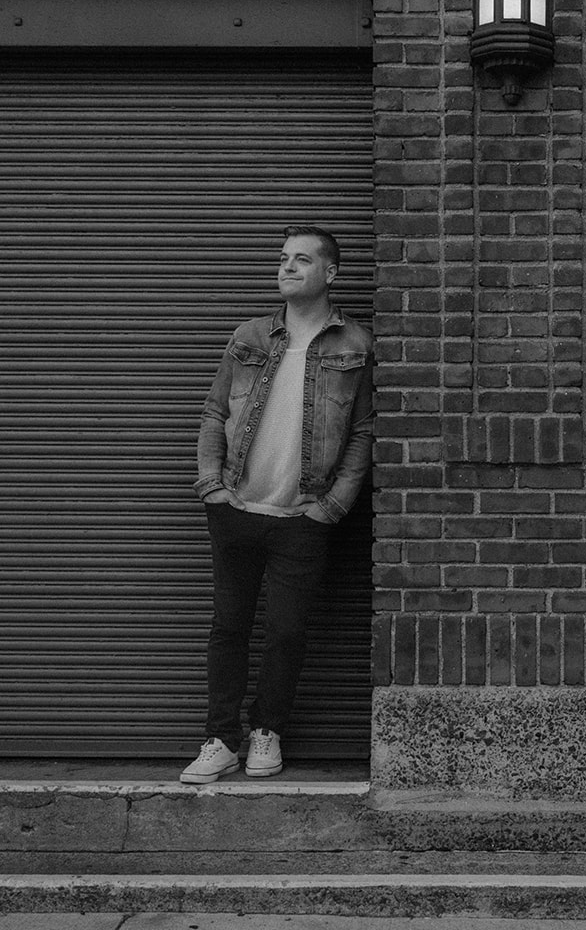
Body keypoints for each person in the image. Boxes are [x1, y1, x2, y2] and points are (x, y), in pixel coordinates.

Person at [179, 224, 373, 785]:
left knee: (287, 630)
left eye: (301, 260)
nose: (286, 268)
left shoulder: (357, 347)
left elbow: (362, 433)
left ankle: (268, 731)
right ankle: (219, 739)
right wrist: (211, 486)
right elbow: (215, 413)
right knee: (229, 627)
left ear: (329, 273)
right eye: (283, 259)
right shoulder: (248, 336)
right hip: (235, 507)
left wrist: (333, 506)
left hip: (302, 517)